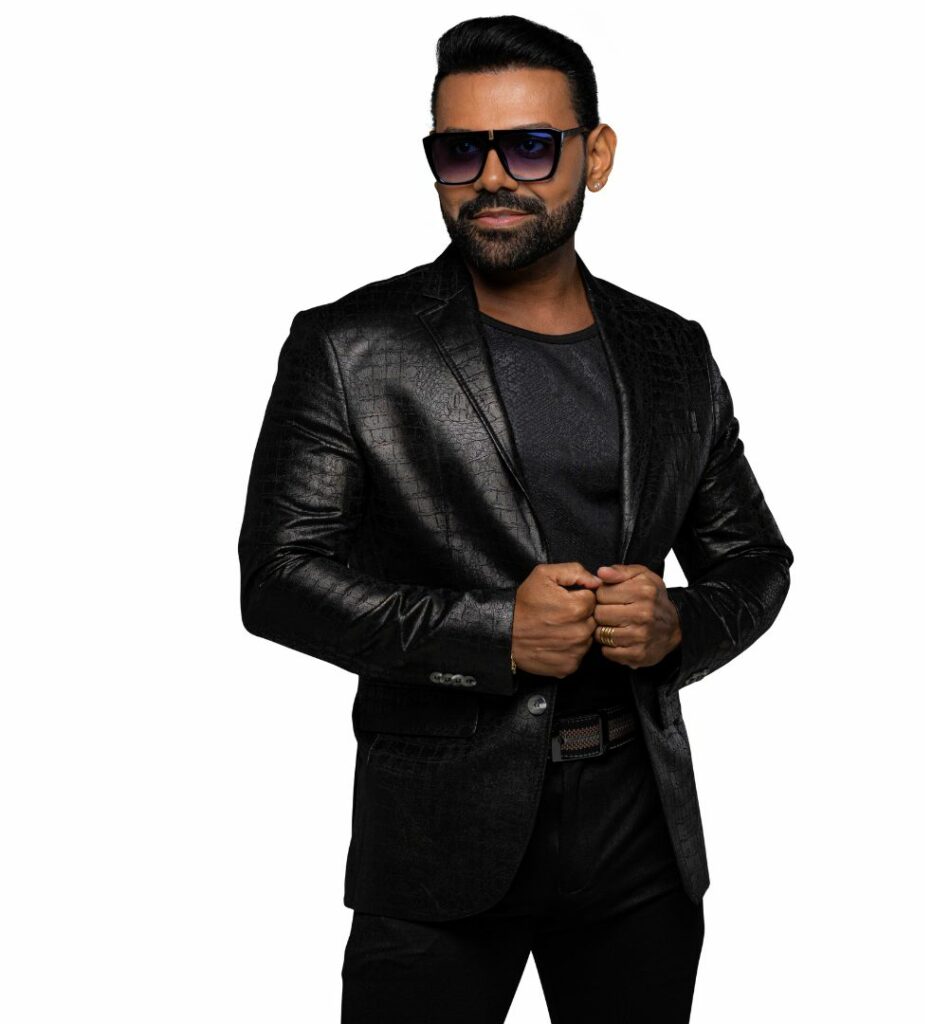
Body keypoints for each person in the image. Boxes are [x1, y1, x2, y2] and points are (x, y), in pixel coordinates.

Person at [237, 14, 794, 1023]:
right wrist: (493, 633)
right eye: (462, 151)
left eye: (531, 146)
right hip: (436, 838)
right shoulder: (349, 347)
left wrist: (677, 625)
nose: (492, 177)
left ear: (596, 155)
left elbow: (753, 558)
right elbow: (278, 578)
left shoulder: (672, 352)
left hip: (639, 835)